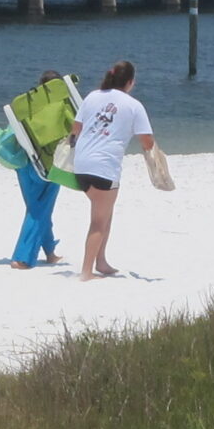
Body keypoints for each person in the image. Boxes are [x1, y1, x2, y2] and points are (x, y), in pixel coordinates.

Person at [68, 60, 155, 280]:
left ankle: (101, 261)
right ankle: (86, 271)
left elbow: (75, 130)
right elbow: (147, 141)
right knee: (99, 221)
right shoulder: (134, 105)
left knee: (105, 215)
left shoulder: (92, 97)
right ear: (130, 82)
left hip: (81, 165)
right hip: (104, 168)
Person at [0, 70, 71, 268]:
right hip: (49, 166)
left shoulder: (27, 105)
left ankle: (50, 252)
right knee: (39, 210)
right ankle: (22, 258)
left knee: (38, 208)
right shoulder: (61, 105)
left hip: (24, 164)